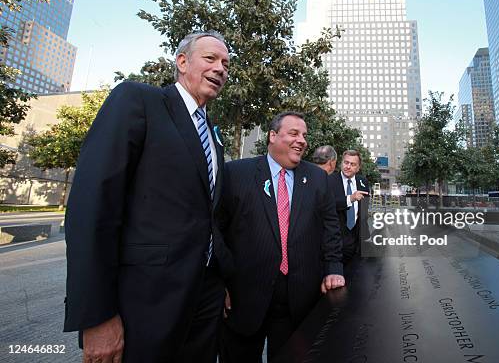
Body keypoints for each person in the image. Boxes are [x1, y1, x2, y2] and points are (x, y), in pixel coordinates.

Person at [63, 31, 232, 363]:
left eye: (226, 63)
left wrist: (219, 276)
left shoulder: (215, 134)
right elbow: (92, 206)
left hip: (203, 303)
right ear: (182, 62)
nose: (221, 68)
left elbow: (209, 214)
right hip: (144, 304)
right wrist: (95, 316)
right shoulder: (138, 100)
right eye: (210, 59)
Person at [219, 111, 345, 363]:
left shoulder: (318, 178)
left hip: (299, 300)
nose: (302, 140)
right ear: (273, 136)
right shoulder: (236, 173)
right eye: (294, 133)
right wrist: (219, 283)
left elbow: (330, 228)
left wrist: (333, 268)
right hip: (243, 299)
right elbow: (218, 229)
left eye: (305, 135)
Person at [329, 150, 370, 264]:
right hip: (336, 240)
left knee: (358, 277)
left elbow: (363, 211)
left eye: (352, 164)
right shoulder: (329, 180)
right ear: (341, 163)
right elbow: (327, 205)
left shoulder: (363, 181)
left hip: (357, 239)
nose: (348, 166)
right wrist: (350, 198)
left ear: (358, 167)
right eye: (346, 162)